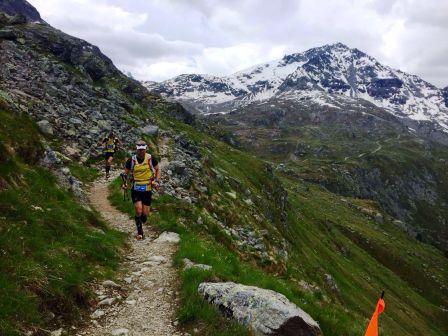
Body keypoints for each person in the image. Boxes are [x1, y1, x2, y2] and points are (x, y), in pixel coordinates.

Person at [122, 140, 160, 240]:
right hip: (136, 188)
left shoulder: (151, 159)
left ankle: (142, 219)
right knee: (138, 210)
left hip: (147, 189)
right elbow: (125, 174)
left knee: (145, 214)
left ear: (146, 149)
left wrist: (156, 181)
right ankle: (140, 233)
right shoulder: (131, 160)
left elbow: (157, 169)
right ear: (136, 149)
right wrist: (124, 183)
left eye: (142, 150)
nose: (141, 151)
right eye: (139, 150)